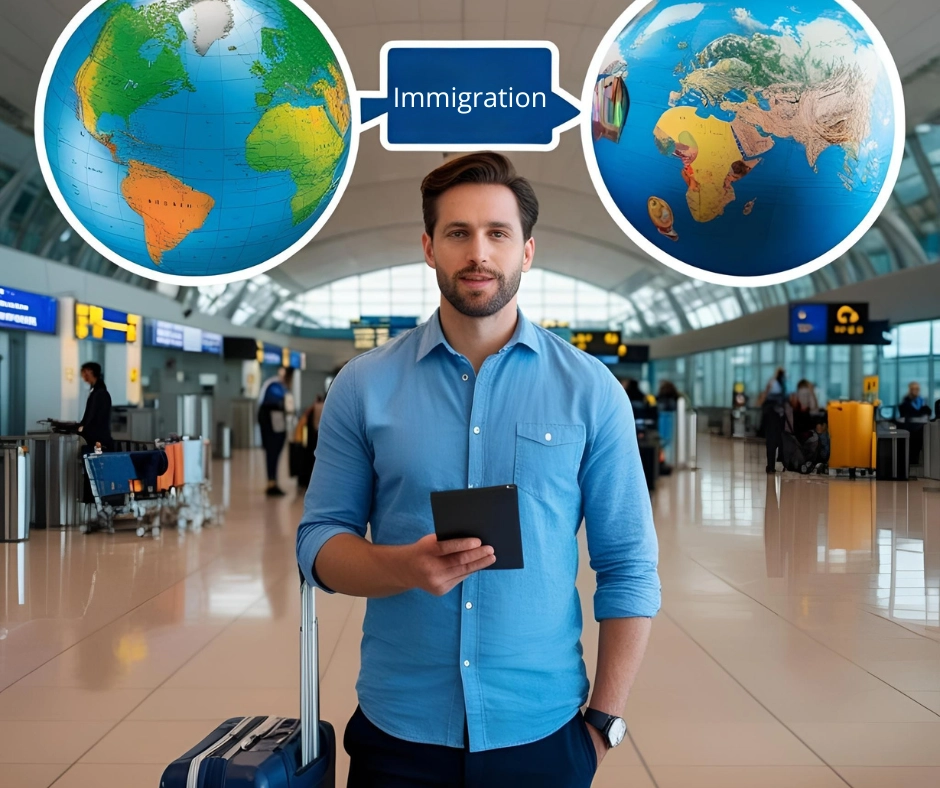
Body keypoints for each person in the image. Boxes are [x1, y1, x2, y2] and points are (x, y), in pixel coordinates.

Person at [297, 152, 660, 787]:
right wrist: (401, 566)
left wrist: (604, 724)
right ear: (429, 247)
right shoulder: (363, 386)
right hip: (399, 732)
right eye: (458, 233)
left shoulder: (591, 390)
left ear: (527, 250)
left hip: (541, 732)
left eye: (498, 233)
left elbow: (629, 564)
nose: (479, 254)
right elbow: (317, 544)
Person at [257, 366, 294, 496]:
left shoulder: (275, 386)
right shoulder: (275, 387)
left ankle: (272, 480)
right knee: (272, 452)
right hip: (272, 423)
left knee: (274, 452)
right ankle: (271, 481)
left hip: (273, 423)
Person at [78, 362, 113, 451]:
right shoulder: (97, 391)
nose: (83, 375)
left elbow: (91, 415)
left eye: (84, 372)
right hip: (98, 437)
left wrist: (82, 428)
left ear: (90, 371)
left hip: (97, 439)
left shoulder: (99, 393)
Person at [762, 367, 787, 473]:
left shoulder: (772, 383)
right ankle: (780, 464)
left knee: (771, 443)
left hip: (771, 415)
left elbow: (766, 396)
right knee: (780, 441)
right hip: (779, 416)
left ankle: (771, 466)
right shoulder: (783, 384)